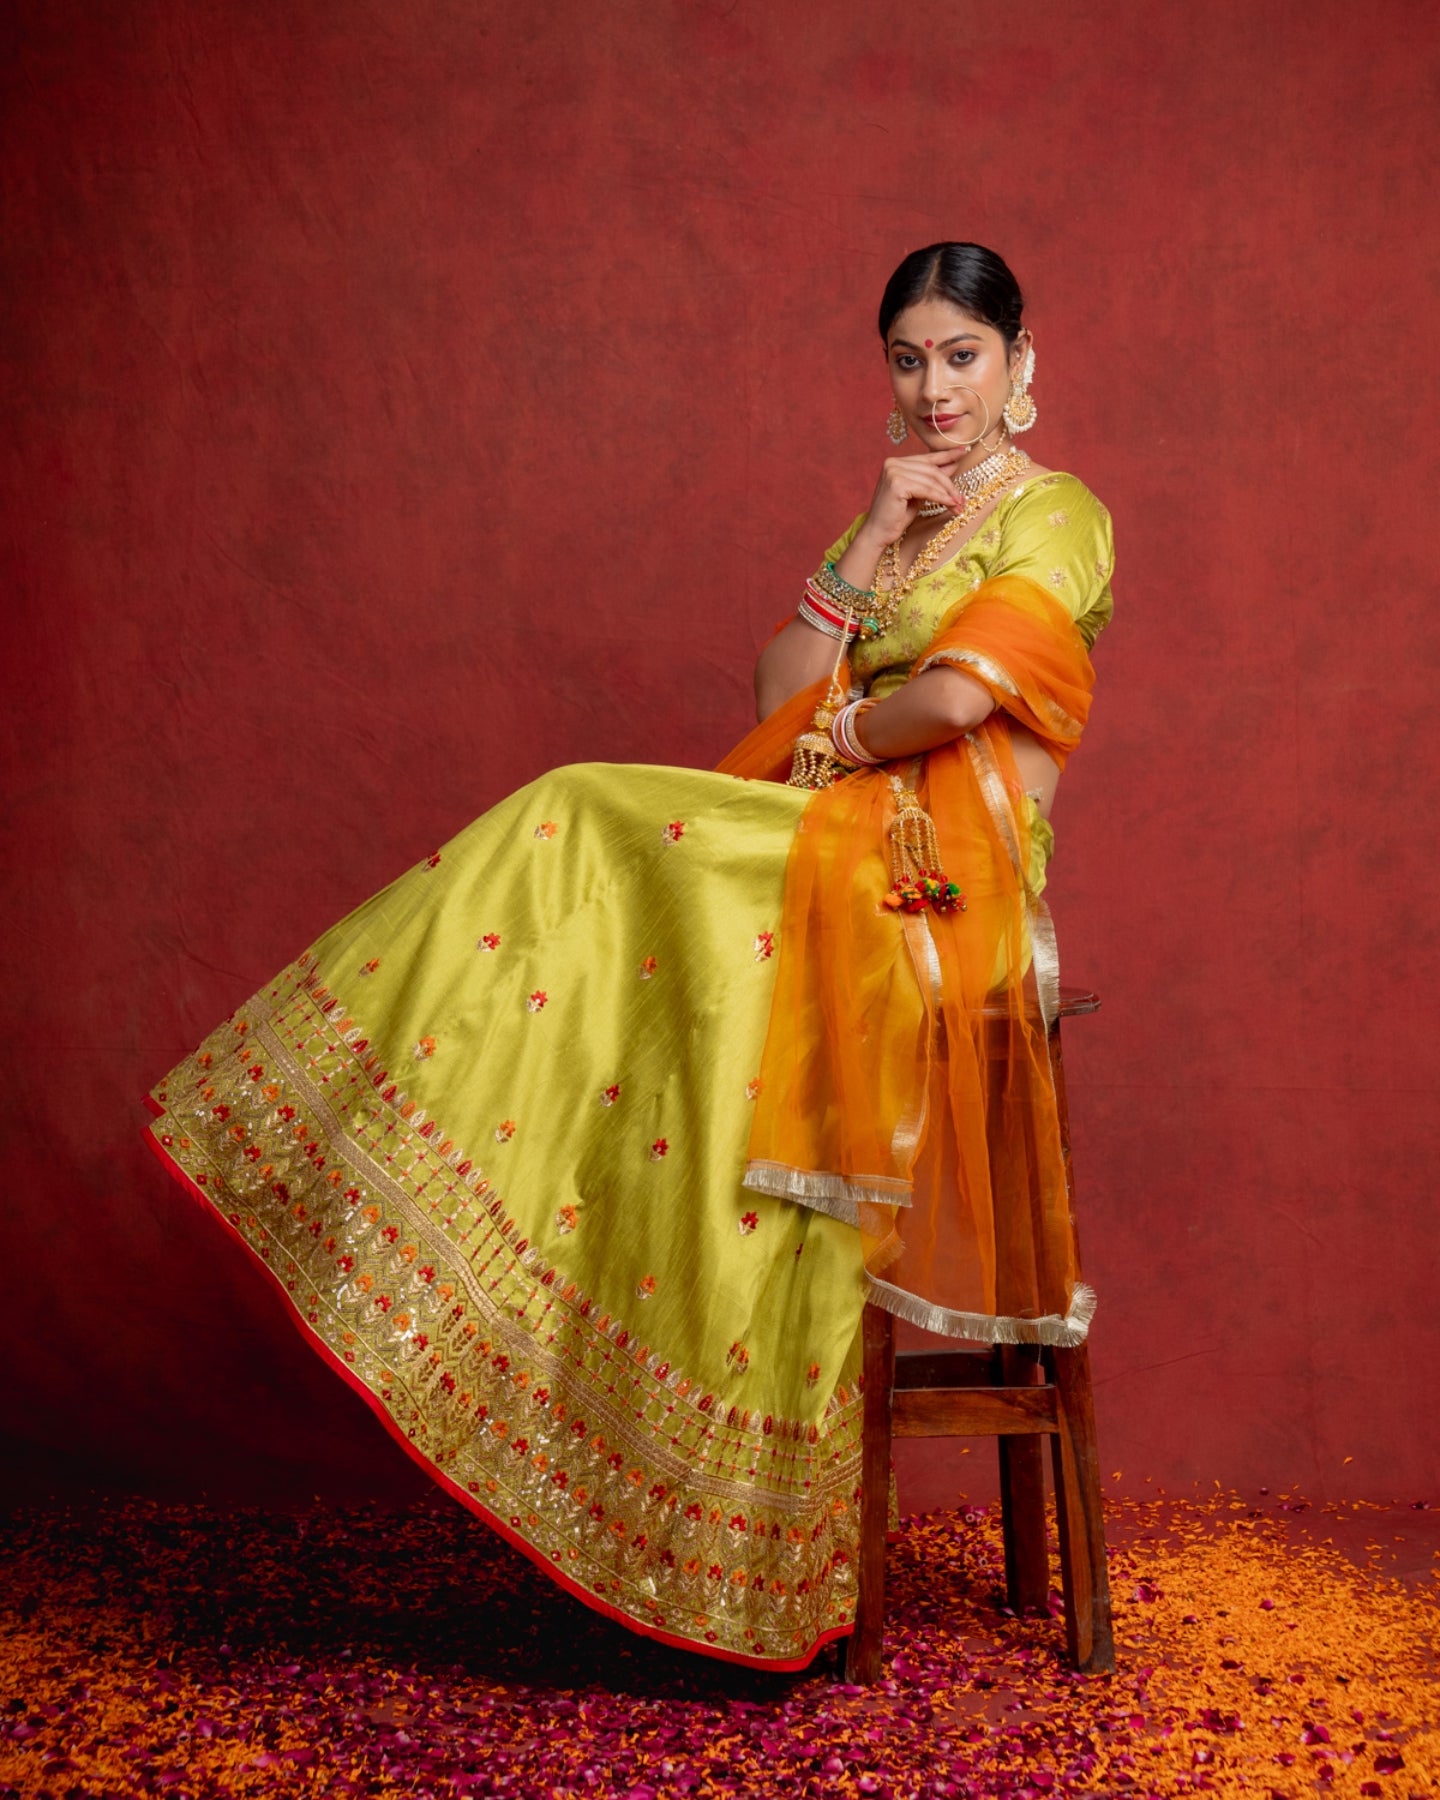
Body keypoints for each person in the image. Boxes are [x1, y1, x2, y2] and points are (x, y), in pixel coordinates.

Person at [144, 242, 1114, 1671]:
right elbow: (781, 690)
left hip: (935, 879)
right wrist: (862, 541)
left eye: (961, 356)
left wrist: (846, 741)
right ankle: (527, 1303)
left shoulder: (1061, 515)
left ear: (1023, 362)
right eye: (906, 359)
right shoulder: (905, 515)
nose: (934, 388)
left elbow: (960, 696)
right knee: (628, 945)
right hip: (824, 842)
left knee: (584, 807)